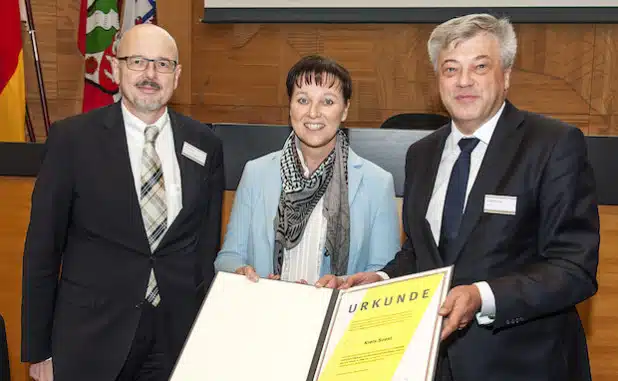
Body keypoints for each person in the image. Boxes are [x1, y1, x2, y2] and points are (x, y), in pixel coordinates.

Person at [342, 14, 599, 381]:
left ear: (505, 76)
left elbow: (574, 268)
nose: (464, 81)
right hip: (434, 362)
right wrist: (382, 279)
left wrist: (483, 295)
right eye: (451, 69)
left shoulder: (553, 145)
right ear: (438, 80)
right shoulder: (421, 154)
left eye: (480, 66)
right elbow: (421, 252)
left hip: (523, 365)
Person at [21, 24, 224, 381]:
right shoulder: (72, 140)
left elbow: (205, 249)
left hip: (175, 337)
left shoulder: (205, 143)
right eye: (137, 61)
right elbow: (42, 250)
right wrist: (39, 350)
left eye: (162, 64)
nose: (149, 74)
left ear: (176, 76)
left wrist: (206, 338)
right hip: (91, 338)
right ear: (116, 69)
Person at [215, 55, 400, 287]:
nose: (313, 113)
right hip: (268, 312)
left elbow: (384, 272)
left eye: (328, 102)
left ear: (344, 111)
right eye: (303, 100)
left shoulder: (377, 182)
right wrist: (242, 272)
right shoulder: (256, 173)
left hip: (336, 315)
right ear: (290, 106)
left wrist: (341, 283)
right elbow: (228, 257)